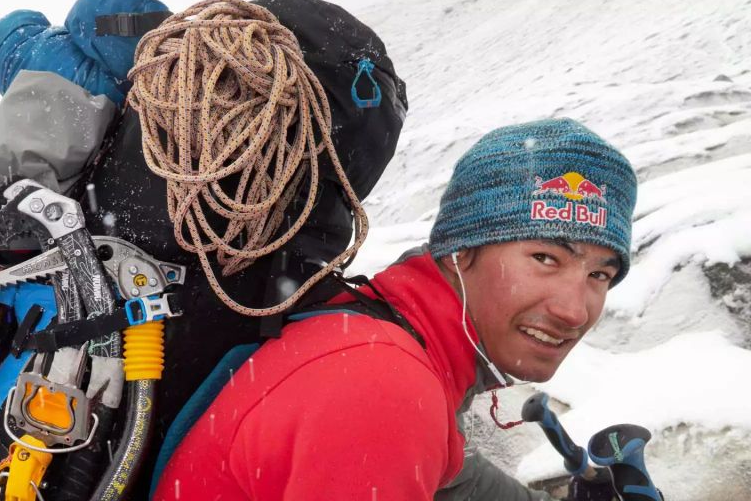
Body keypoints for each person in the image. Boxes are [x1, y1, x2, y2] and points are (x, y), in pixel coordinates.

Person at [152, 118, 637, 500]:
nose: (575, 311)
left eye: (600, 275)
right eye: (545, 258)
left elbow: (454, 479)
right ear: (460, 251)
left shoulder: (384, 332)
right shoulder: (382, 386)